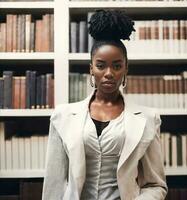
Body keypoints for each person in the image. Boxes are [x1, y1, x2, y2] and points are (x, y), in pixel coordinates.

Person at [42, 9, 168, 200]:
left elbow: (155, 185)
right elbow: (54, 183)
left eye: (117, 66)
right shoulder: (63, 116)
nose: (109, 73)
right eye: (101, 65)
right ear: (91, 68)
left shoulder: (148, 119)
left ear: (126, 68)